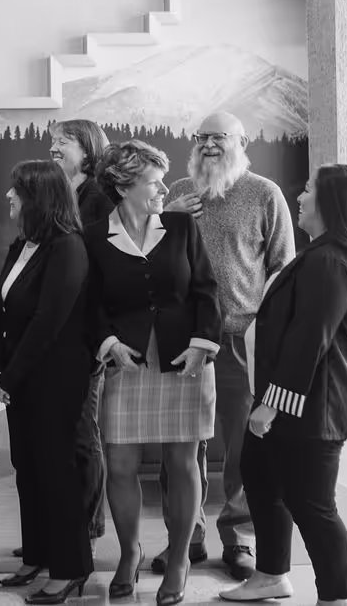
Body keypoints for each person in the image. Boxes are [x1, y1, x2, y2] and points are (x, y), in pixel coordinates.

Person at [220, 164, 347, 606]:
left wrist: (271, 405)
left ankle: (336, 596)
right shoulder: (322, 254)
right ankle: (271, 575)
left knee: (311, 502)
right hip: (293, 402)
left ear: (330, 202)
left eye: (308, 190)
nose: (299, 196)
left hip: (314, 408)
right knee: (259, 475)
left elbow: (310, 339)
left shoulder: (331, 260)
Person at [154, 111, 295, 581]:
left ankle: (239, 540)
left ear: (241, 140)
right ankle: (185, 538)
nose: (209, 144)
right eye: (202, 137)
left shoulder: (264, 193)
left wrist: (267, 332)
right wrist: (165, 220)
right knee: (182, 444)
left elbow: (282, 268)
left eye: (219, 137)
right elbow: (145, 255)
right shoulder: (176, 193)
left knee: (240, 448)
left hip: (239, 339)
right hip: (180, 338)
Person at [85, 139, 222, 606]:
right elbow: (90, 305)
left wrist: (204, 345)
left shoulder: (182, 227)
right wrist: (107, 343)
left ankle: (180, 557)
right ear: (123, 187)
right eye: (153, 180)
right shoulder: (93, 237)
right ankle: (129, 553)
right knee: (119, 465)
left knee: (182, 463)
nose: (165, 188)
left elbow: (206, 290)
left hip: (186, 361)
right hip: (125, 363)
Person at [0, 160, 94, 604]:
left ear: (39, 199)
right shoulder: (22, 246)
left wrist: (7, 376)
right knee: (26, 469)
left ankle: (70, 568)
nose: (9, 197)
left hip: (53, 379)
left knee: (55, 471)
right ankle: (37, 554)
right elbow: (1, 309)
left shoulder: (68, 247)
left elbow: (48, 322)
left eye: (17, 191)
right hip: (18, 378)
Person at [49, 119, 113, 551]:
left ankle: (87, 527)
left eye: (63, 141)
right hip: (60, 333)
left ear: (88, 148)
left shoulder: (98, 197)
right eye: (52, 140)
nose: (54, 147)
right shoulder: (64, 193)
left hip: (87, 333)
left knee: (83, 433)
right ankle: (63, 525)